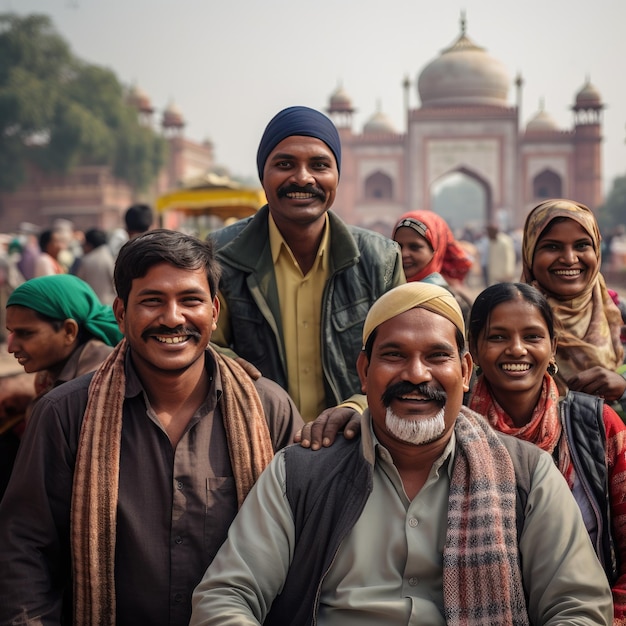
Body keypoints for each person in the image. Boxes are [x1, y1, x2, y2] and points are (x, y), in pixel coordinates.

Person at [191, 282, 612, 625]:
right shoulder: (301, 473)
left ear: (464, 372)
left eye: (436, 356)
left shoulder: (526, 475)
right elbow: (226, 597)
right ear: (364, 370)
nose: (415, 374)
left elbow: (579, 608)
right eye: (394, 355)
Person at [0, 229, 304, 626]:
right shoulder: (65, 414)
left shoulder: (268, 408)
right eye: (152, 301)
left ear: (214, 310)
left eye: (190, 300)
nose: (173, 318)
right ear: (122, 313)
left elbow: (307, 539)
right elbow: (26, 547)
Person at [210, 105, 404, 422]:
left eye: (319, 165)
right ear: (263, 175)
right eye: (284, 164)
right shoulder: (222, 256)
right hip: (255, 437)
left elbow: (403, 354)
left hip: (354, 442)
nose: (302, 177)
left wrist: (355, 408)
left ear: (338, 176)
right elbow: (207, 348)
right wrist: (267, 406)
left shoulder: (378, 260)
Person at [466, 282, 626, 620]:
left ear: (552, 347)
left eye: (533, 336)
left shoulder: (597, 426)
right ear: (474, 350)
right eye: (497, 337)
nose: (516, 349)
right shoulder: (453, 429)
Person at [0, 274, 123, 499]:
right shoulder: (51, 373)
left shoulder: (94, 387)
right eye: (11, 332)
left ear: (69, 331)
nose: (12, 347)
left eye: (26, 333)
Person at [521, 198, 626, 407]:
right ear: (530, 253)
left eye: (581, 245)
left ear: (596, 249)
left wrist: (623, 388)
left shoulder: (619, 314)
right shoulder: (512, 318)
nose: (569, 259)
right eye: (552, 246)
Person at [392, 210, 473, 320]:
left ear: (436, 250)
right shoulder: (383, 293)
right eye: (398, 246)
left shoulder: (452, 302)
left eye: (414, 247)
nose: (404, 253)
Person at [75, 227, 117, 305]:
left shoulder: (86, 260)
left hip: (91, 305)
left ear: (89, 244)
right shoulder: (110, 258)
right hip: (110, 305)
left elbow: (78, 284)